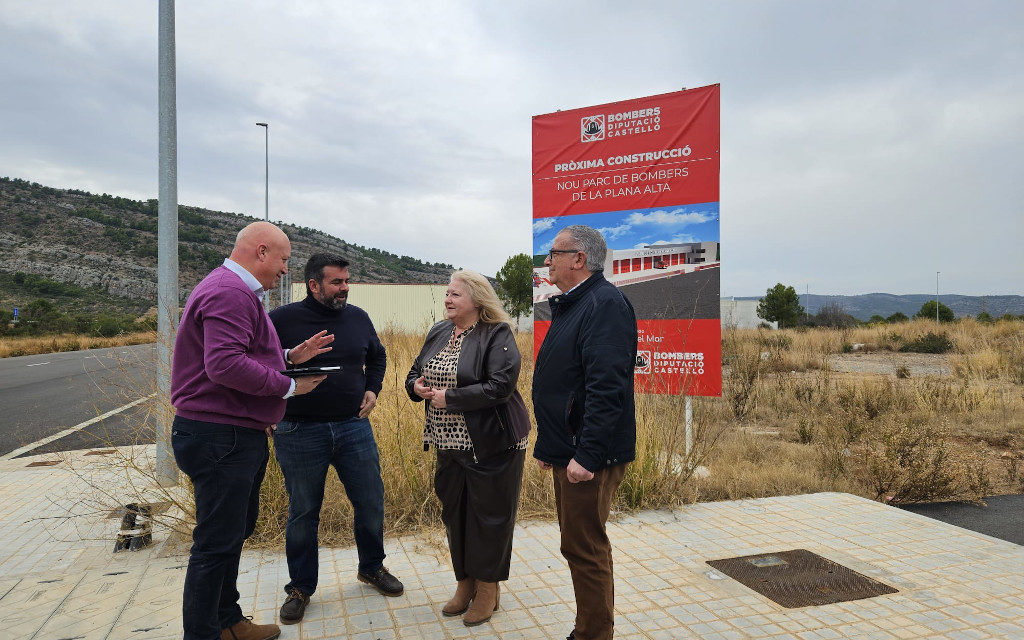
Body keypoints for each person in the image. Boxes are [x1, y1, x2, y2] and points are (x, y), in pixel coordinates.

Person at [170, 221, 334, 640]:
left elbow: (241, 352)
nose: (284, 271)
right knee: (214, 544)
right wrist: (291, 386)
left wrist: (288, 355)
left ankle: (227, 622)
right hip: (219, 435)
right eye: (282, 260)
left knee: (230, 536)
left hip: (229, 433)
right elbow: (223, 365)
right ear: (261, 252)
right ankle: (205, 633)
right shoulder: (230, 292)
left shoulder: (233, 290)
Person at [268, 253, 403, 625]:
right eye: (337, 282)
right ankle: (300, 587)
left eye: (347, 281)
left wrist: (373, 390)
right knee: (303, 512)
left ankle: (371, 568)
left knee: (371, 501)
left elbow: (378, 356)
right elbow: (259, 366)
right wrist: (271, 406)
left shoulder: (358, 318)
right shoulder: (281, 320)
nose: (345, 288)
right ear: (314, 285)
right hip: (298, 431)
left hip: (353, 427)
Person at [405, 270, 531, 627]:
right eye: (447, 293)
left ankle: (488, 589)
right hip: (447, 443)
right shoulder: (439, 331)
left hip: (493, 443)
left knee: (489, 517)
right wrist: (416, 386)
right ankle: (465, 583)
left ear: (476, 300)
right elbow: (415, 371)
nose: (447, 299)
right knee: (455, 513)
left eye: (455, 294)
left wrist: (451, 398)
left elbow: (500, 386)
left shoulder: (498, 333)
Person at [531, 225, 637, 640]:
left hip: (589, 455)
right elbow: (565, 384)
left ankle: (592, 635)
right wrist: (549, 444)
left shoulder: (604, 304)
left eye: (553, 253)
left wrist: (588, 456)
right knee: (578, 545)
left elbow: (606, 388)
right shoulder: (576, 304)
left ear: (579, 258)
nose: (547, 262)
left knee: (585, 548)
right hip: (570, 448)